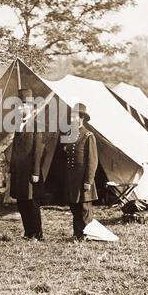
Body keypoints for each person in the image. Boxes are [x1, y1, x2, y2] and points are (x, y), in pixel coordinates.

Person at [10, 89, 45, 241]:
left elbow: (38, 150)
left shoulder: (37, 125)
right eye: (18, 106)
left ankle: (37, 234)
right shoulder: (18, 126)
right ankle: (27, 232)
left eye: (22, 106)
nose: (19, 109)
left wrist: (36, 172)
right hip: (19, 173)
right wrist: (12, 169)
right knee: (21, 202)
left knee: (32, 203)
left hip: (31, 173)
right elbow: (15, 150)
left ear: (30, 107)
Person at [61, 103, 98, 241]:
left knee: (84, 209)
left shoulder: (88, 136)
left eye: (74, 116)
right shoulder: (71, 134)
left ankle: (87, 235)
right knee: (75, 207)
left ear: (81, 118)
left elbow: (92, 161)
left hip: (83, 179)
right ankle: (78, 234)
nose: (71, 119)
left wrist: (89, 181)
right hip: (73, 179)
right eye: (71, 117)